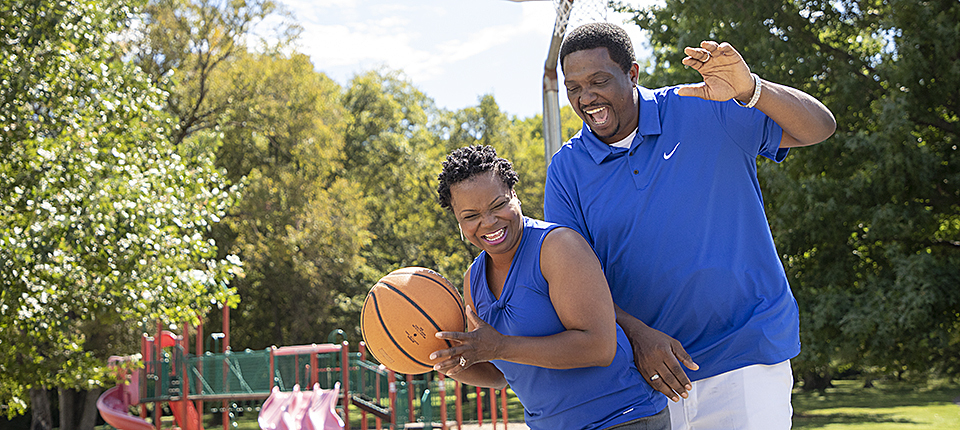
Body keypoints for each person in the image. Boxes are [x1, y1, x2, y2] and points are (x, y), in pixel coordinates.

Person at [543, 23, 836, 430]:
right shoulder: (565, 170)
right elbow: (571, 284)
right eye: (573, 87)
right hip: (649, 378)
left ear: (632, 73)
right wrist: (638, 336)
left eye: (598, 81)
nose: (585, 97)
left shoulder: (706, 107)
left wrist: (752, 89)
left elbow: (819, 127)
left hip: (745, 356)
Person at [430, 145, 669, 430]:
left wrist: (502, 346)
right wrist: (455, 364)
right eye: (471, 216)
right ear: (458, 220)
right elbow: (501, 373)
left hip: (622, 418)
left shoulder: (558, 247)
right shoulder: (473, 280)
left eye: (498, 205)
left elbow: (600, 347)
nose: (489, 221)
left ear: (514, 195)